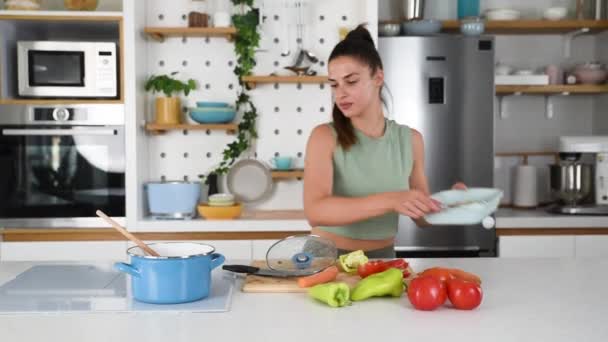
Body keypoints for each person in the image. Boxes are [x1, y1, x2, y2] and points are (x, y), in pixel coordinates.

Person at [303, 25, 466, 259]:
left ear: (378, 77)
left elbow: (422, 217)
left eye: (351, 81)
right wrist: (392, 199)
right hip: (327, 257)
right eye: (334, 84)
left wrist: (448, 205)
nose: (340, 94)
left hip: (384, 257)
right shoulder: (324, 137)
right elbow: (315, 211)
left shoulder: (410, 140)